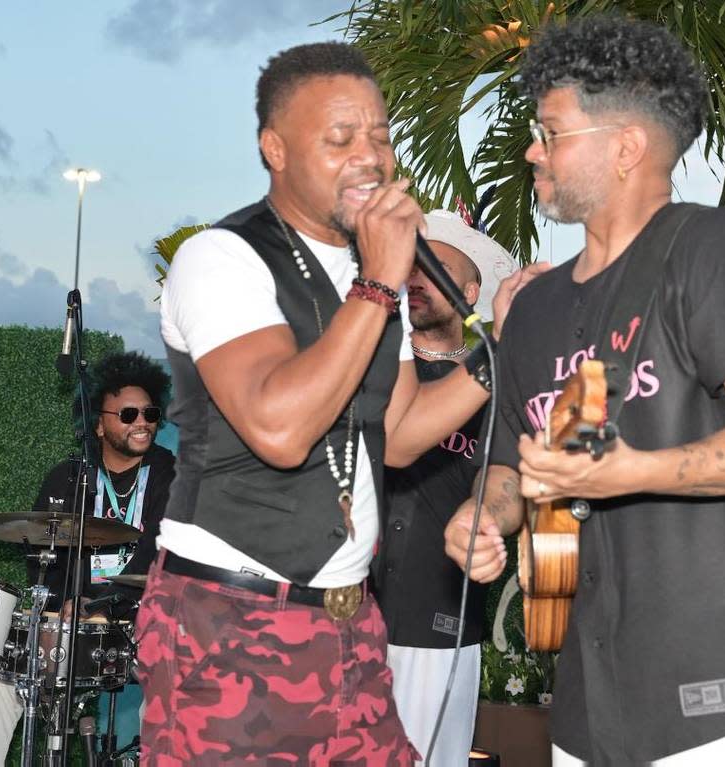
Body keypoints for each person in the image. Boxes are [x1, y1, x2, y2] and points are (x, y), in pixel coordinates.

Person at [444, 15, 725, 766]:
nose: (534, 149)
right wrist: (484, 519)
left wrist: (634, 470)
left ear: (625, 147)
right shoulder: (531, 310)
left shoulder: (709, 250)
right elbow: (508, 471)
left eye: (552, 131)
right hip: (592, 697)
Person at [142, 42, 538, 764]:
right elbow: (280, 427)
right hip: (231, 624)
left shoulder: (368, 277)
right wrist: (381, 286)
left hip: (350, 626)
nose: (369, 156)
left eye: (381, 137)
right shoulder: (222, 258)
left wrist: (498, 351)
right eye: (340, 139)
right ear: (275, 148)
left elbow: (398, 435)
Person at [0, 350, 175, 766]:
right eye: (129, 413)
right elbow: (43, 556)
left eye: (149, 412)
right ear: (98, 424)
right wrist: (57, 607)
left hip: (142, 617)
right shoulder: (68, 477)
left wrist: (102, 603)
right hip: (72, 619)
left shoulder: (172, 476)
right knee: (0, 672)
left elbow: (159, 549)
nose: (142, 422)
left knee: (178, 677)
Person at [373, 209, 518, 764]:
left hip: (436, 623)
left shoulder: (500, 381)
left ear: (471, 289)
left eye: (434, 266)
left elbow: (510, 479)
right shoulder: (375, 359)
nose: (414, 277)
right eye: (410, 264)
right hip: (345, 612)